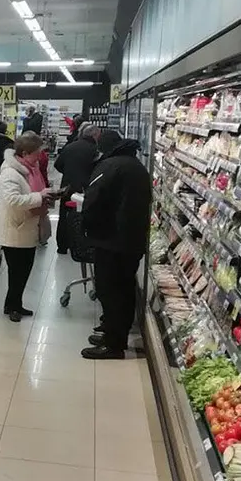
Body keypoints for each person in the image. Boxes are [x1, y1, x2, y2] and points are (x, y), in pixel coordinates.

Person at [80, 130, 151, 359]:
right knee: (124, 288)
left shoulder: (110, 166)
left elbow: (94, 198)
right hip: (131, 239)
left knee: (109, 289)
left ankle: (113, 344)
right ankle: (115, 332)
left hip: (112, 239)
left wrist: (87, 224)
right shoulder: (135, 165)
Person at [0, 131, 59, 322]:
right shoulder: (10, 172)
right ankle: (13, 306)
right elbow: (13, 200)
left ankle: (13, 303)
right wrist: (40, 196)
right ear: (24, 152)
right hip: (14, 229)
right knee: (17, 271)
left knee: (24, 270)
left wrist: (46, 194)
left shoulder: (31, 168)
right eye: (37, 152)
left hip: (27, 225)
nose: (40, 155)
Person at [53, 124, 101, 254]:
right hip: (85, 188)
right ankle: (79, 245)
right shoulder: (95, 150)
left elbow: (57, 165)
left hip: (67, 186)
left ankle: (62, 246)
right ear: (95, 136)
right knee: (81, 216)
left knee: (64, 215)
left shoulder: (70, 147)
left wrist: (68, 173)